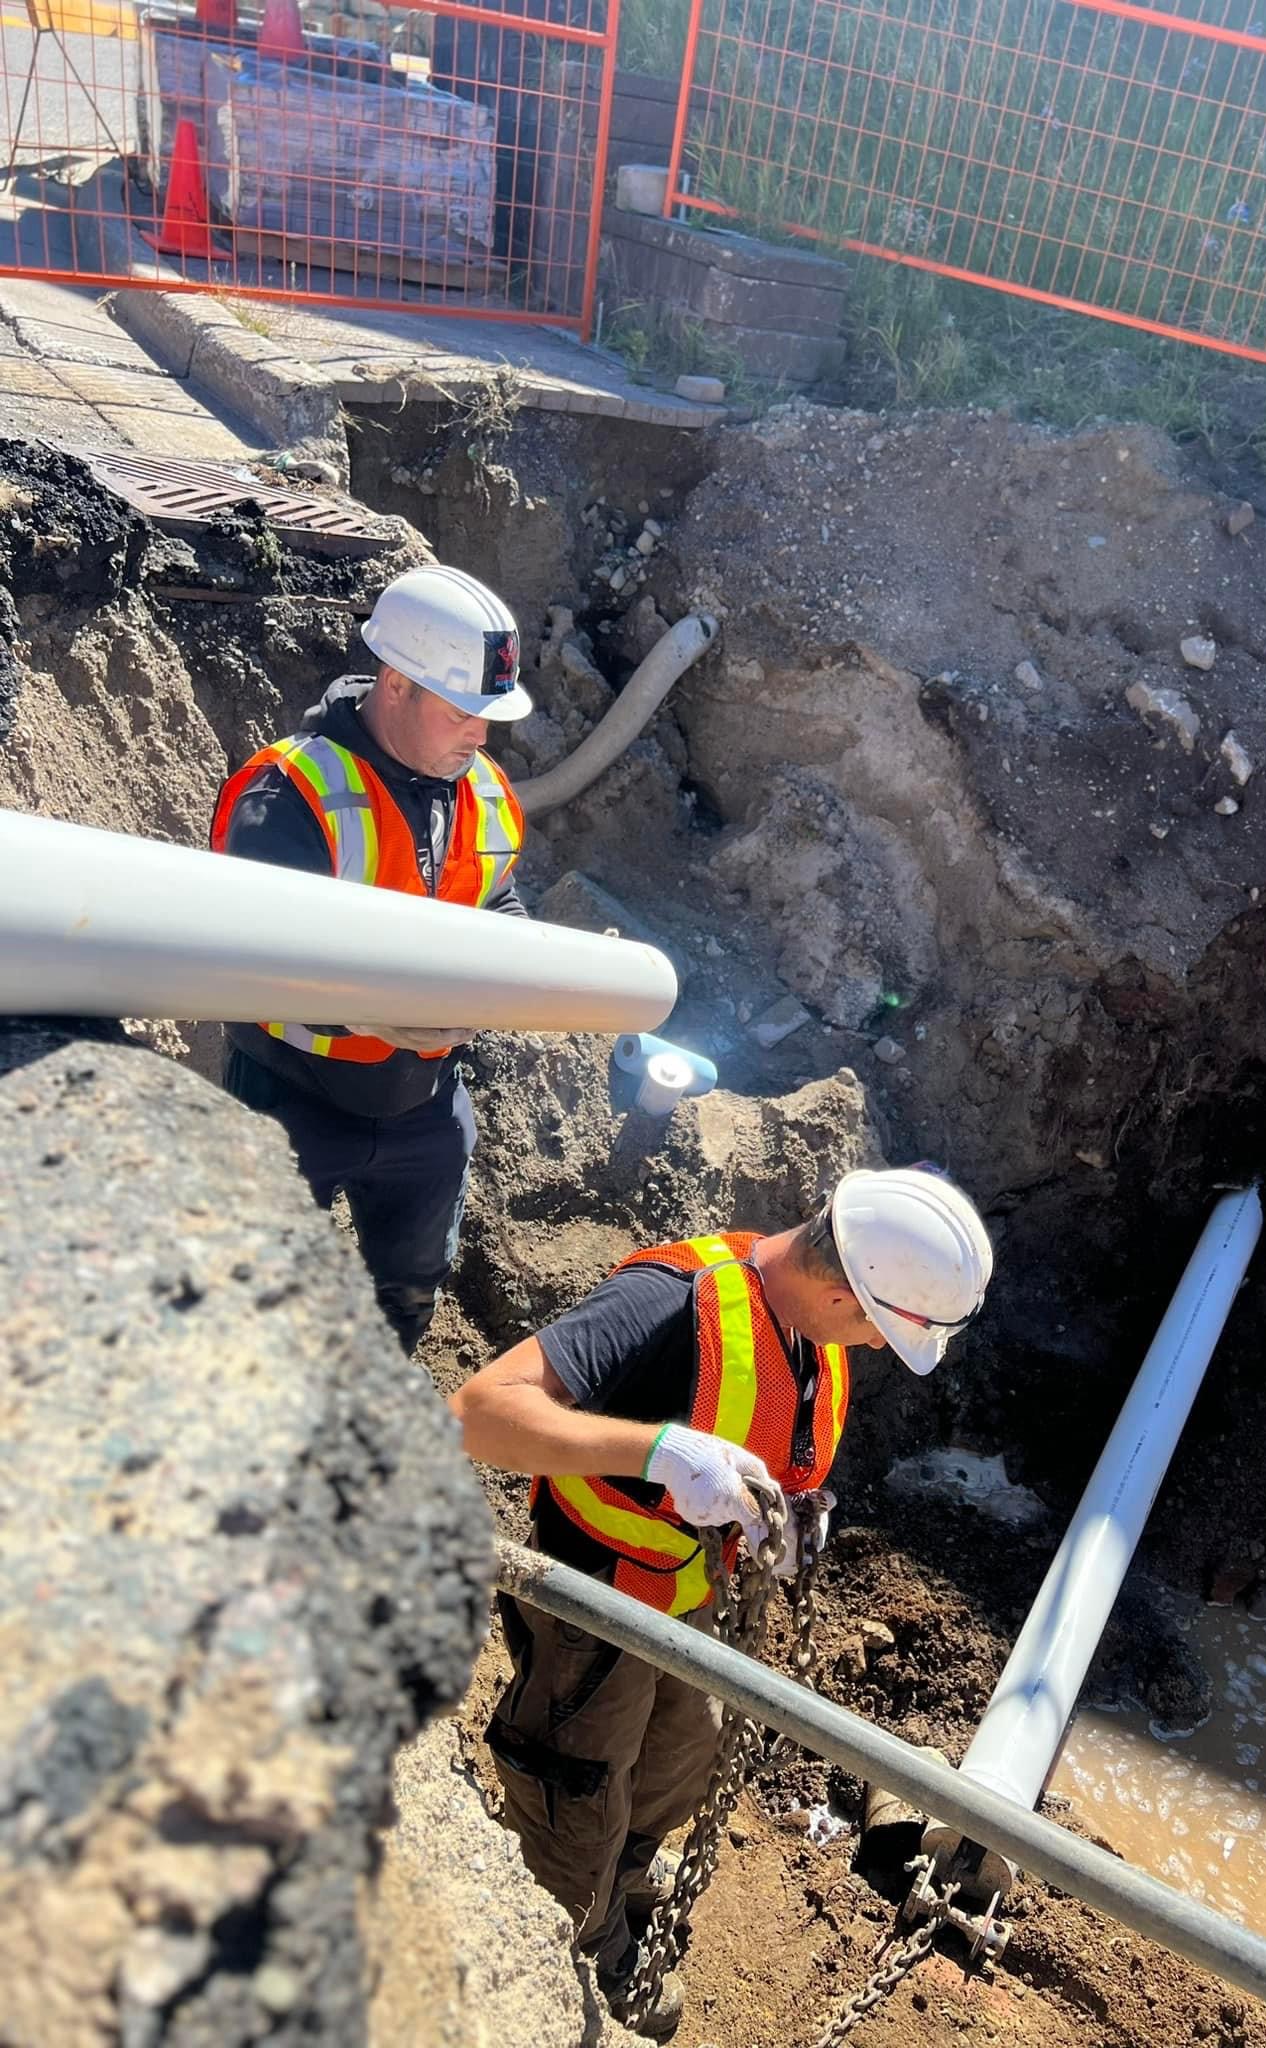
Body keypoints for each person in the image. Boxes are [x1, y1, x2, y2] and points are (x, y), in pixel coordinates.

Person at [450, 1166, 993, 2037]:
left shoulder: (811, 1337)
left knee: (686, 1754)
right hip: (598, 1601)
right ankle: (579, 1936)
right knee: (581, 1782)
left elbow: (773, 1435)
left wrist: (793, 1515)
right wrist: (658, 1452)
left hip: (689, 1595)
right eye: (883, 1331)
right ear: (847, 1290)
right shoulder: (668, 1305)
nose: (881, 1349)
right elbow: (478, 1413)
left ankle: (621, 1879)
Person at [210, 563, 533, 1353]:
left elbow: (496, 900)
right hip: (290, 1097)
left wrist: (518, 969)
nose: (480, 735)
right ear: (396, 685)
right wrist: (378, 1012)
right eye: (463, 710)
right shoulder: (288, 793)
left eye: (489, 715)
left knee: (411, 1281)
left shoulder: (480, 788)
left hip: (425, 1100)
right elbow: (245, 954)